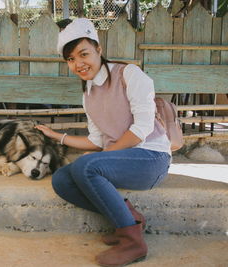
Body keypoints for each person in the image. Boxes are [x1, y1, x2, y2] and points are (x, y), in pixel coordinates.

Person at [35, 18, 171, 266]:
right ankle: (129, 217)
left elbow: (142, 129)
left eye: (83, 54)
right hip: (120, 161)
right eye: (71, 59)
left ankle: (132, 242)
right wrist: (60, 137)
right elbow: (97, 140)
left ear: (99, 49)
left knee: (86, 166)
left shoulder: (129, 74)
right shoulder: (88, 94)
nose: (78, 64)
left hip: (151, 159)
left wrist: (98, 158)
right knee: (61, 180)